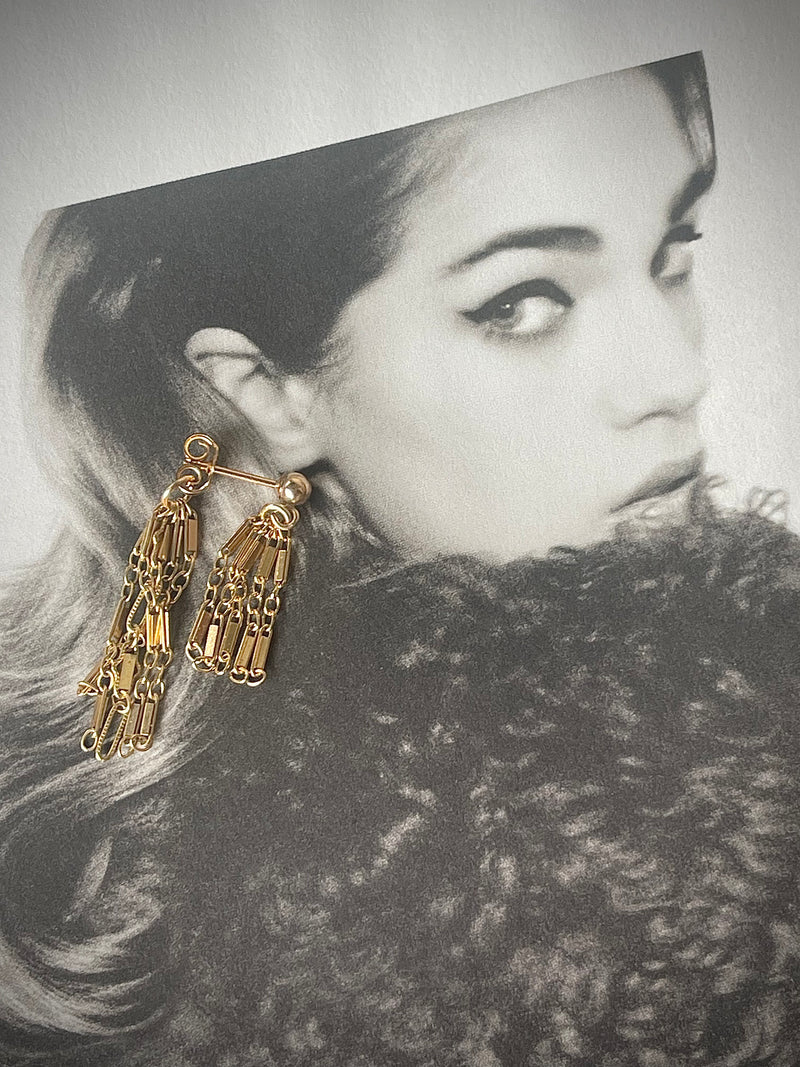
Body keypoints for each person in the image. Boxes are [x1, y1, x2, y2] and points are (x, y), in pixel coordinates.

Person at [1, 51, 799, 1065]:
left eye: (672, 251)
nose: (676, 375)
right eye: (522, 301)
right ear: (267, 391)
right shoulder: (132, 943)